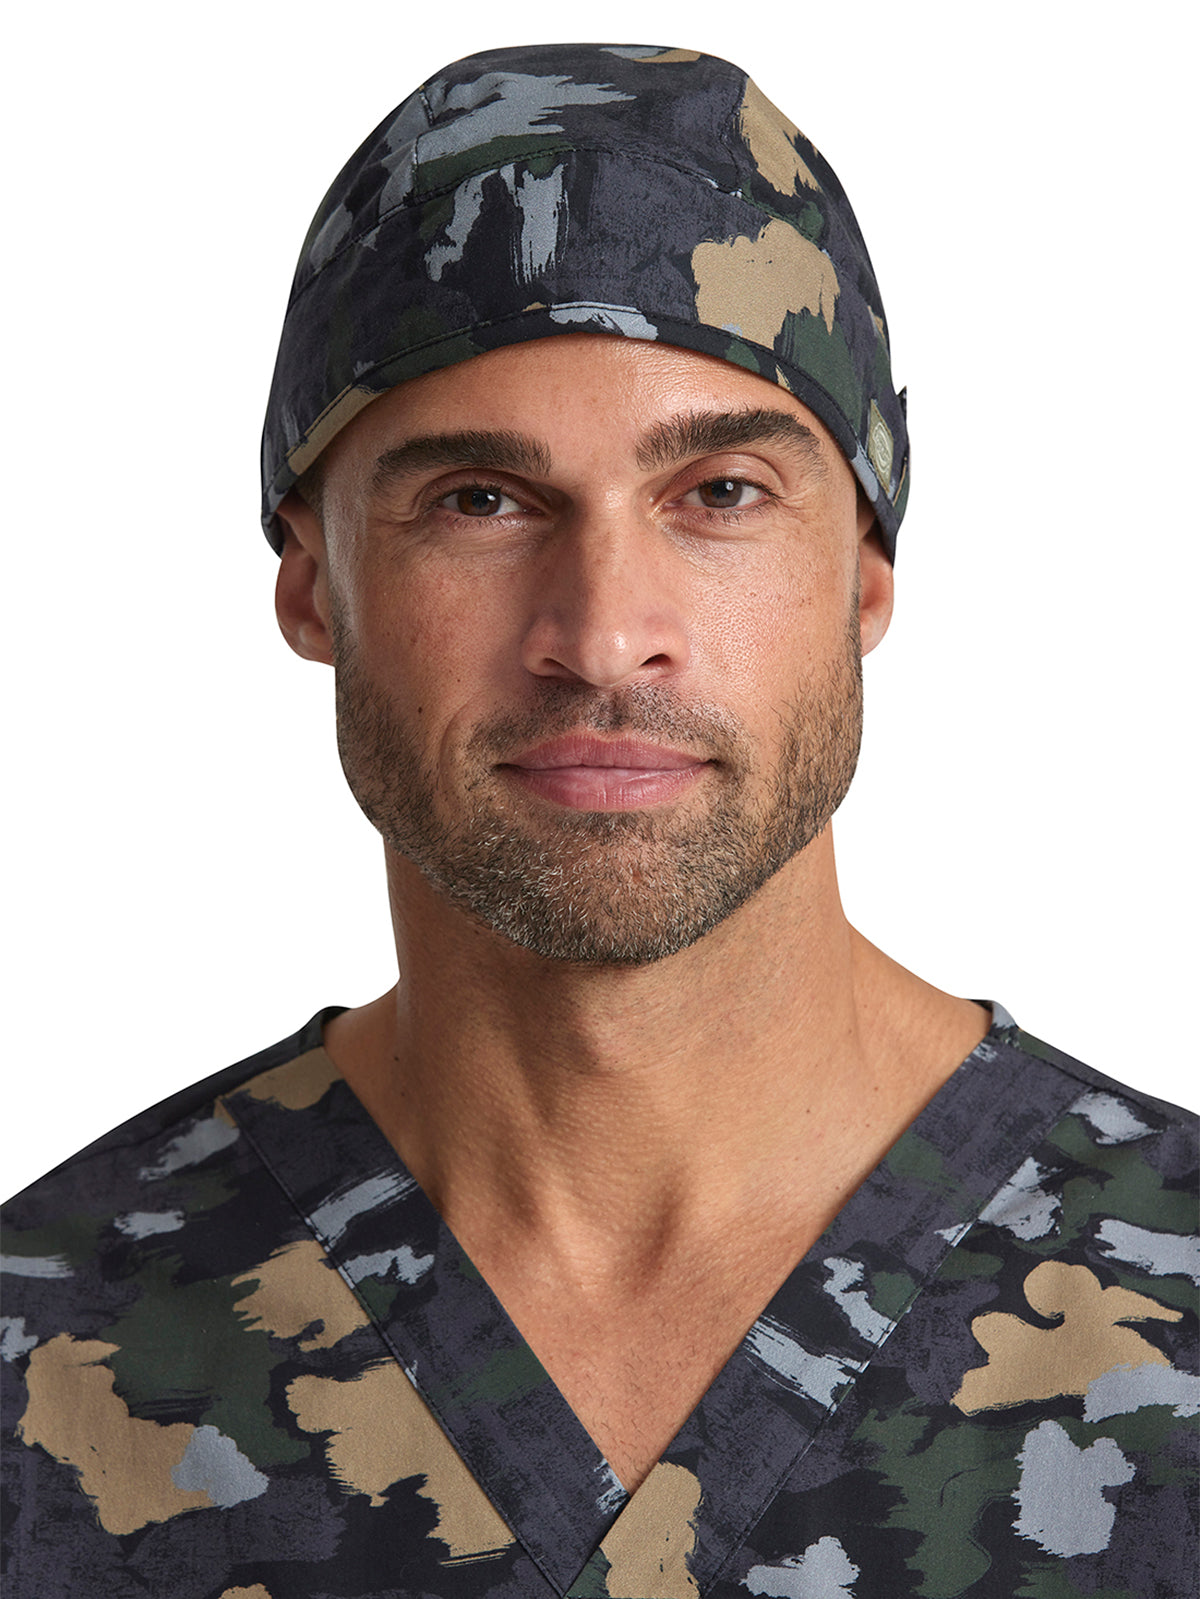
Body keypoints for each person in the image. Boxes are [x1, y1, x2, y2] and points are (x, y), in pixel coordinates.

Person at [2, 42, 1195, 1599]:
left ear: (866, 572)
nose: (605, 634)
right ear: (313, 584)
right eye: (480, 501)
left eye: (721, 494)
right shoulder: (47, 1360)